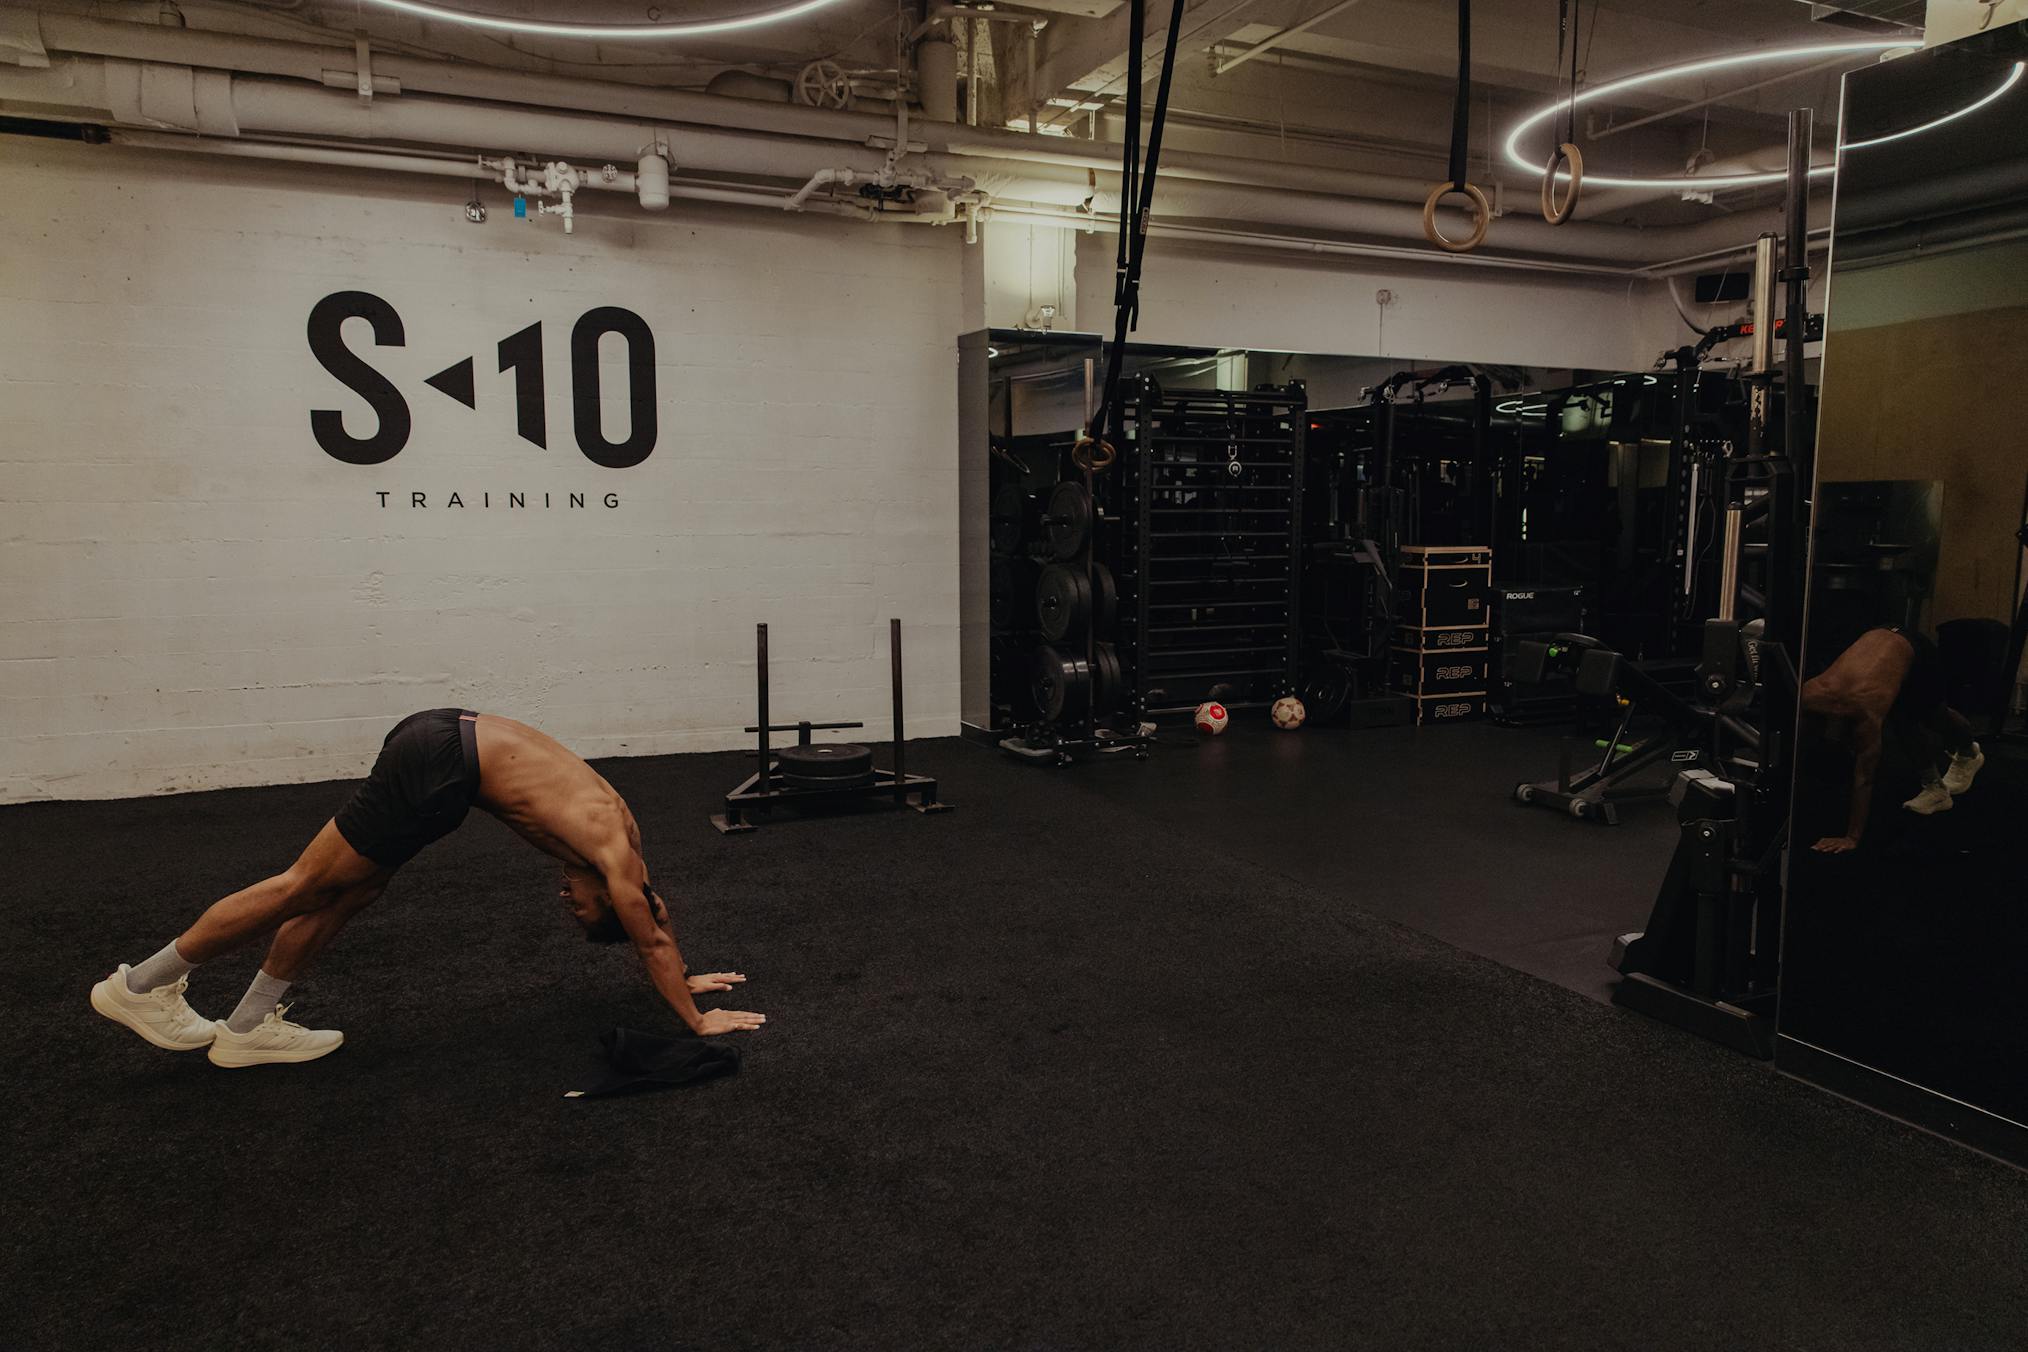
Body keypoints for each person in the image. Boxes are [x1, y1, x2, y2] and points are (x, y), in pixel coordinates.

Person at [89, 709, 764, 1067]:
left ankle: (245, 1027)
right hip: (442, 764)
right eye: (584, 912)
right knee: (305, 885)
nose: (568, 903)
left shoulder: (623, 857)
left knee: (352, 892)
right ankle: (142, 986)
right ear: (613, 901)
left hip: (444, 752)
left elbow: (654, 922)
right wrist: (694, 1018)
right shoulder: (612, 857)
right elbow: (649, 937)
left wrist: (682, 976)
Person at [1800, 627, 1985, 854]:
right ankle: (1936, 788)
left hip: (1917, 653)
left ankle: (1969, 753)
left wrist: (1851, 837)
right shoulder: (1808, 695)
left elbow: (1864, 778)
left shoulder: (1865, 716)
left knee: (1930, 718)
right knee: (1901, 718)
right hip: (1882, 638)